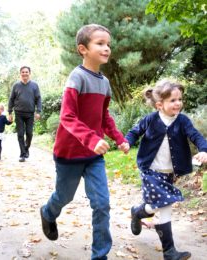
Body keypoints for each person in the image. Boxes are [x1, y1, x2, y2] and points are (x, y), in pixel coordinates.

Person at [40, 24, 129, 260]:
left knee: (102, 204)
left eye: (108, 44)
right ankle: (48, 212)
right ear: (83, 49)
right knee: (64, 197)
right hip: (69, 154)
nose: (106, 48)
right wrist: (91, 138)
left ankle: (100, 256)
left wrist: (119, 138)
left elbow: (104, 116)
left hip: (93, 157)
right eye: (100, 43)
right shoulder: (76, 77)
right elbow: (67, 116)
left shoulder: (105, 83)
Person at [124, 79, 207, 260]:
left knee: (154, 207)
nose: (178, 103)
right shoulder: (150, 119)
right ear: (160, 104)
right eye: (173, 100)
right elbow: (134, 132)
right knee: (165, 205)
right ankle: (169, 252)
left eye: (180, 99)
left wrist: (203, 149)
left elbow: (196, 135)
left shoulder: (183, 121)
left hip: (170, 173)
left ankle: (138, 212)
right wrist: (127, 143)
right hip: (150, 170)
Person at [8, 66, 42, 162]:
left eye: (26, 72)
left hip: (30, 113)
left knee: (29, 133)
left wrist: (38, 111)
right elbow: (11, 99)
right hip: (18, 113)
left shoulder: (34, 85)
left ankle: (26, 149)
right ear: (20, 73)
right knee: (20, 134)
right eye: (23, 72)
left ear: (29, 73)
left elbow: (38, 98)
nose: (24, 73)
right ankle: (22, 154)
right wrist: (10, 112)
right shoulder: (16, 85)